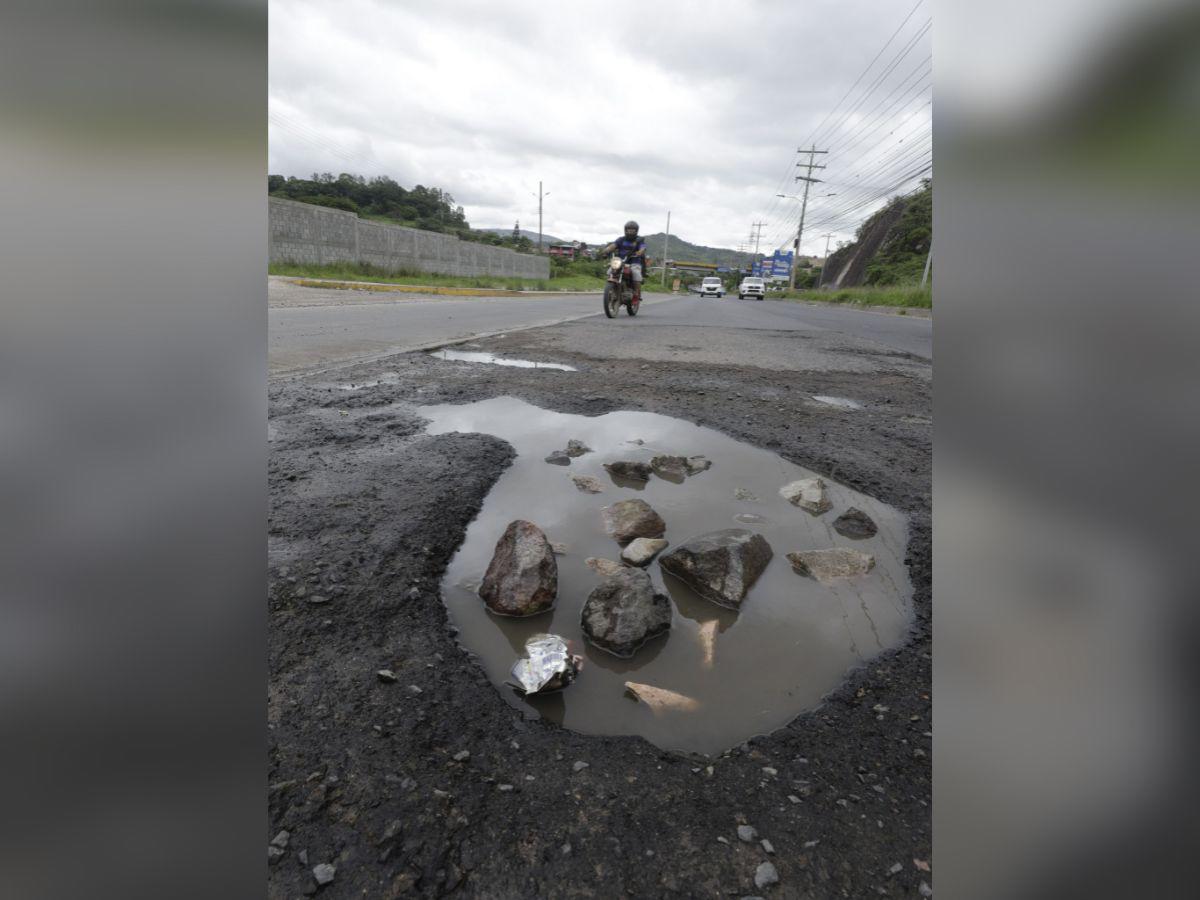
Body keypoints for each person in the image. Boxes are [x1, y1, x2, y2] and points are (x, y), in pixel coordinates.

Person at [597, 220, 647, 302]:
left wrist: (640, 252)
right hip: (621, 261)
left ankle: (636, 294)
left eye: (632, 230)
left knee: (636, 274)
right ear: (625, 230)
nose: (630, 232)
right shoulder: (621, 239)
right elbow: (613, 246)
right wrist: (606, 251)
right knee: (610, 271)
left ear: (636, 231)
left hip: (634, 262)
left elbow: (643, 247)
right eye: (629, 230)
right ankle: (612, 289)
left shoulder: (639, 240)